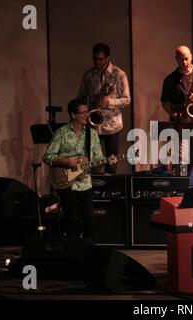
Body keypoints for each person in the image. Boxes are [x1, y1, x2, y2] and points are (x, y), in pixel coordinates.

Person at [43, 98, 104, 238]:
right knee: (72, 219)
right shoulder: (61, 133)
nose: (87, 116)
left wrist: (107, 160)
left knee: (89, 219)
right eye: (83, 113)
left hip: (85, 183)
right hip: (66, 182)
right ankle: (72, 250)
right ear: (73, 115)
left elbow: (98, 158)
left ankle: (89, 251)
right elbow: (47, 157)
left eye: (87, 112)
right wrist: (65, 161)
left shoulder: (92, 133)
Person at [78, 42, 131, 174]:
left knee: (111, 160)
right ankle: (93, 187)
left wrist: (110, 102)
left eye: (101, 59)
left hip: (112, 125)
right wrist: (87, 106)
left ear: (107, 58)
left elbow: (127, 99)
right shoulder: (88, 75)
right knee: (90, 158)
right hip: (93, 124)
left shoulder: (119, 74)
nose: (97, 62)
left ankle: (110, 190)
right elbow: (81, 96)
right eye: (95, 59)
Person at [161, 45, 193, 122]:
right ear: (176, 59)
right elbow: (165, 103)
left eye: (186, 59)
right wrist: (174, 114)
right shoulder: (169, 79)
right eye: (181, 60)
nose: (184, 62)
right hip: (179, 122)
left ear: (191, 56)